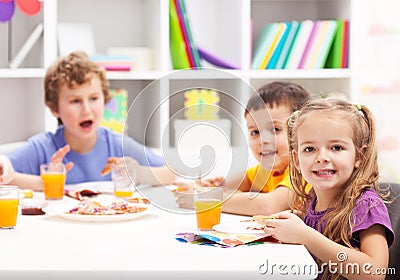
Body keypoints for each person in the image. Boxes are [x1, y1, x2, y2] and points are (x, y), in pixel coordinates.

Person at [263, 98, 394, 279]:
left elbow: (375, 272)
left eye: (336, 147)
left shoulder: (367, 206)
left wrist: (305, 235)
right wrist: (302, 221)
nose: (322, 157)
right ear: (296, 159)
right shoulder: (314, 199)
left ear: (359, 156)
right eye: (310, 149)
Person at [7, 51, 175, 190]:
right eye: (75, 101)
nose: (86, 110)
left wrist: (139, 172)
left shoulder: (116, 145)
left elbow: (170, 173)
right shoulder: (42, 148)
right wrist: (47, 182)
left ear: (105, 100)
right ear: (54, 108)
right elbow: (3, 171)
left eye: (94, 98)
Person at [175, 81, 311, 216]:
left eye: (275, 129)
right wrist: (209, 187)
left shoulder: (304, 171)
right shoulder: (266, 171)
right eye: (255, 132)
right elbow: (233, 183)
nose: (263, 140)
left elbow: (268, 206)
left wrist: (204, 198)